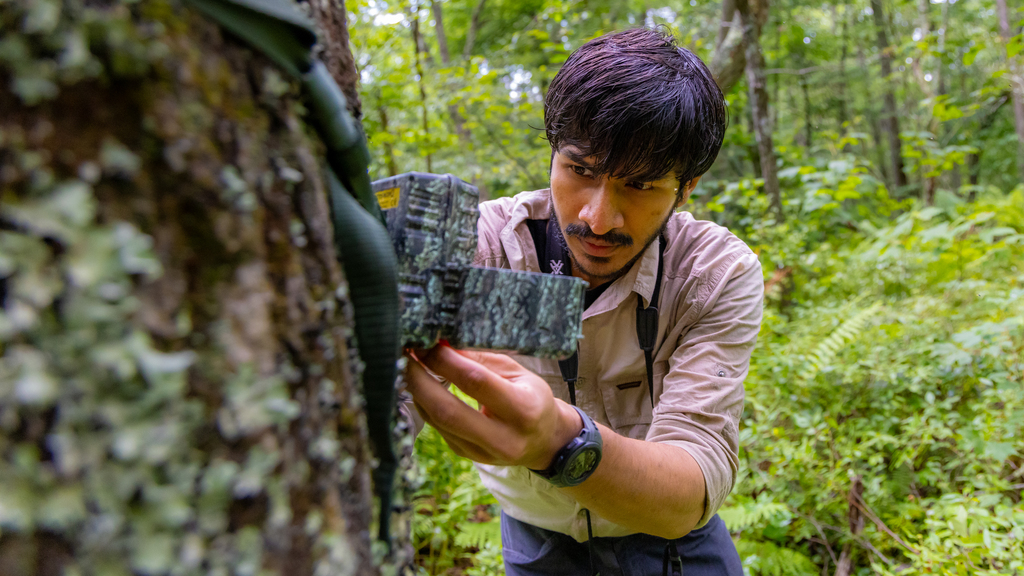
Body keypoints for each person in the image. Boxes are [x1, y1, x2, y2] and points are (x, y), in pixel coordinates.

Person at [403, 27, 763, 576]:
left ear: (685, 187)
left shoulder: (711, 272)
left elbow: (694, 480)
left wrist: (559, 443)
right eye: (581, 170)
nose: (598, 218)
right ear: (552, 154)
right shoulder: (486, 246)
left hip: (673, 544)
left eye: (640, 186)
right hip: (535, 541)